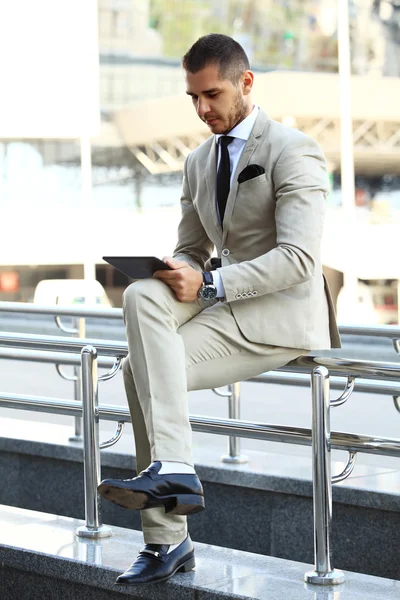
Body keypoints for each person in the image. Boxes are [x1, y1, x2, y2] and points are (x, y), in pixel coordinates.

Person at [98, 32, 341, 586]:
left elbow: (300, 259)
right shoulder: (197, 162)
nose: (202, 109)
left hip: (276, 318)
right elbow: (192, 250)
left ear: (245, 83)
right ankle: (176, 473)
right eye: (193, 98)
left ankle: (167, 539)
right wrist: (172, 268)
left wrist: (208, 287)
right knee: (140, 293)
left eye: (211, 94)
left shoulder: (293, 149)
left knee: (140, 371)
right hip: (221, 303)